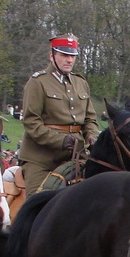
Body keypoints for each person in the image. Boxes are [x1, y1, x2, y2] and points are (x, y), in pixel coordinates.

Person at [19, 33, 100, 197]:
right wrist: (61, 140)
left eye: (72, 56)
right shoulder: (38, 82)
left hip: (76, 156)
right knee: (38, 203)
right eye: (64, 55)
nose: (69, 60)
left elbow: (90, 119)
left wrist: (92, 136)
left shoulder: (81, 83)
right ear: (52, 56)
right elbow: (31, 123)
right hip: (41, 158)